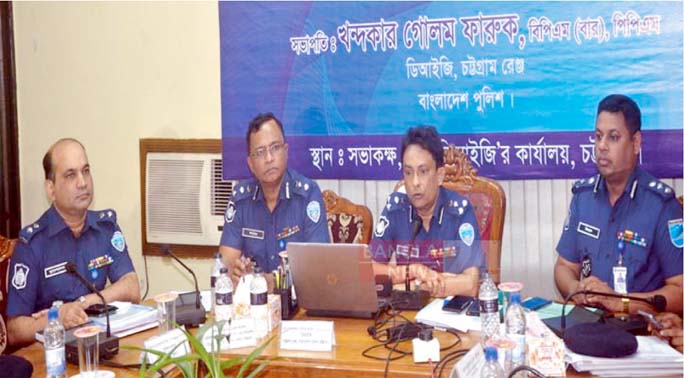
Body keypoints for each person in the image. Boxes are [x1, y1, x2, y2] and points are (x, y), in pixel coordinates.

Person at [554, 94, 683, 315]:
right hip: (590, 326)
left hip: (640, 332)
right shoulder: (583, 197)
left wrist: (621, 302)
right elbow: (564, 267)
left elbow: (680, 291)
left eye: (613, 137)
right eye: (598, 136)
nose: (602, 146)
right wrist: (577, 289)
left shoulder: (662, 205)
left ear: (636, 143)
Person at [7, 138, 140, 345]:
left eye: (85, 171)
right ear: (50, 189)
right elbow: (14, 330)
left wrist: (84, 303)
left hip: (98, 344)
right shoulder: (32, 245)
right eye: (71, 175)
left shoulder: (106, 228)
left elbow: (131, 288)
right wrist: (57, 317)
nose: (83, 182)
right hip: (52, 355)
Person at [370, 126, 484, 297]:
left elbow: (470, 285)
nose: (415, 182)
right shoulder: (395, 209)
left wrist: (411, 287)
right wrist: (411, 272)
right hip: (407, 314)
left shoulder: (459, 212)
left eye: (423, 172)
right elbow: (369, 270)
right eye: (408, 173)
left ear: (439, 175)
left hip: (449, 316)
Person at [219, 113, 330, 287]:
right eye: (260, 152)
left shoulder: (307, 195)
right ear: (250, 164)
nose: (269, 158)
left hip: (298, 306)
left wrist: (267, 282)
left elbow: (319, 266)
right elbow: (225, 265)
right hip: (254, 306)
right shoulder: (240, 199)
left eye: (275, 148)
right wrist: (238, 273)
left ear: (286, 151)